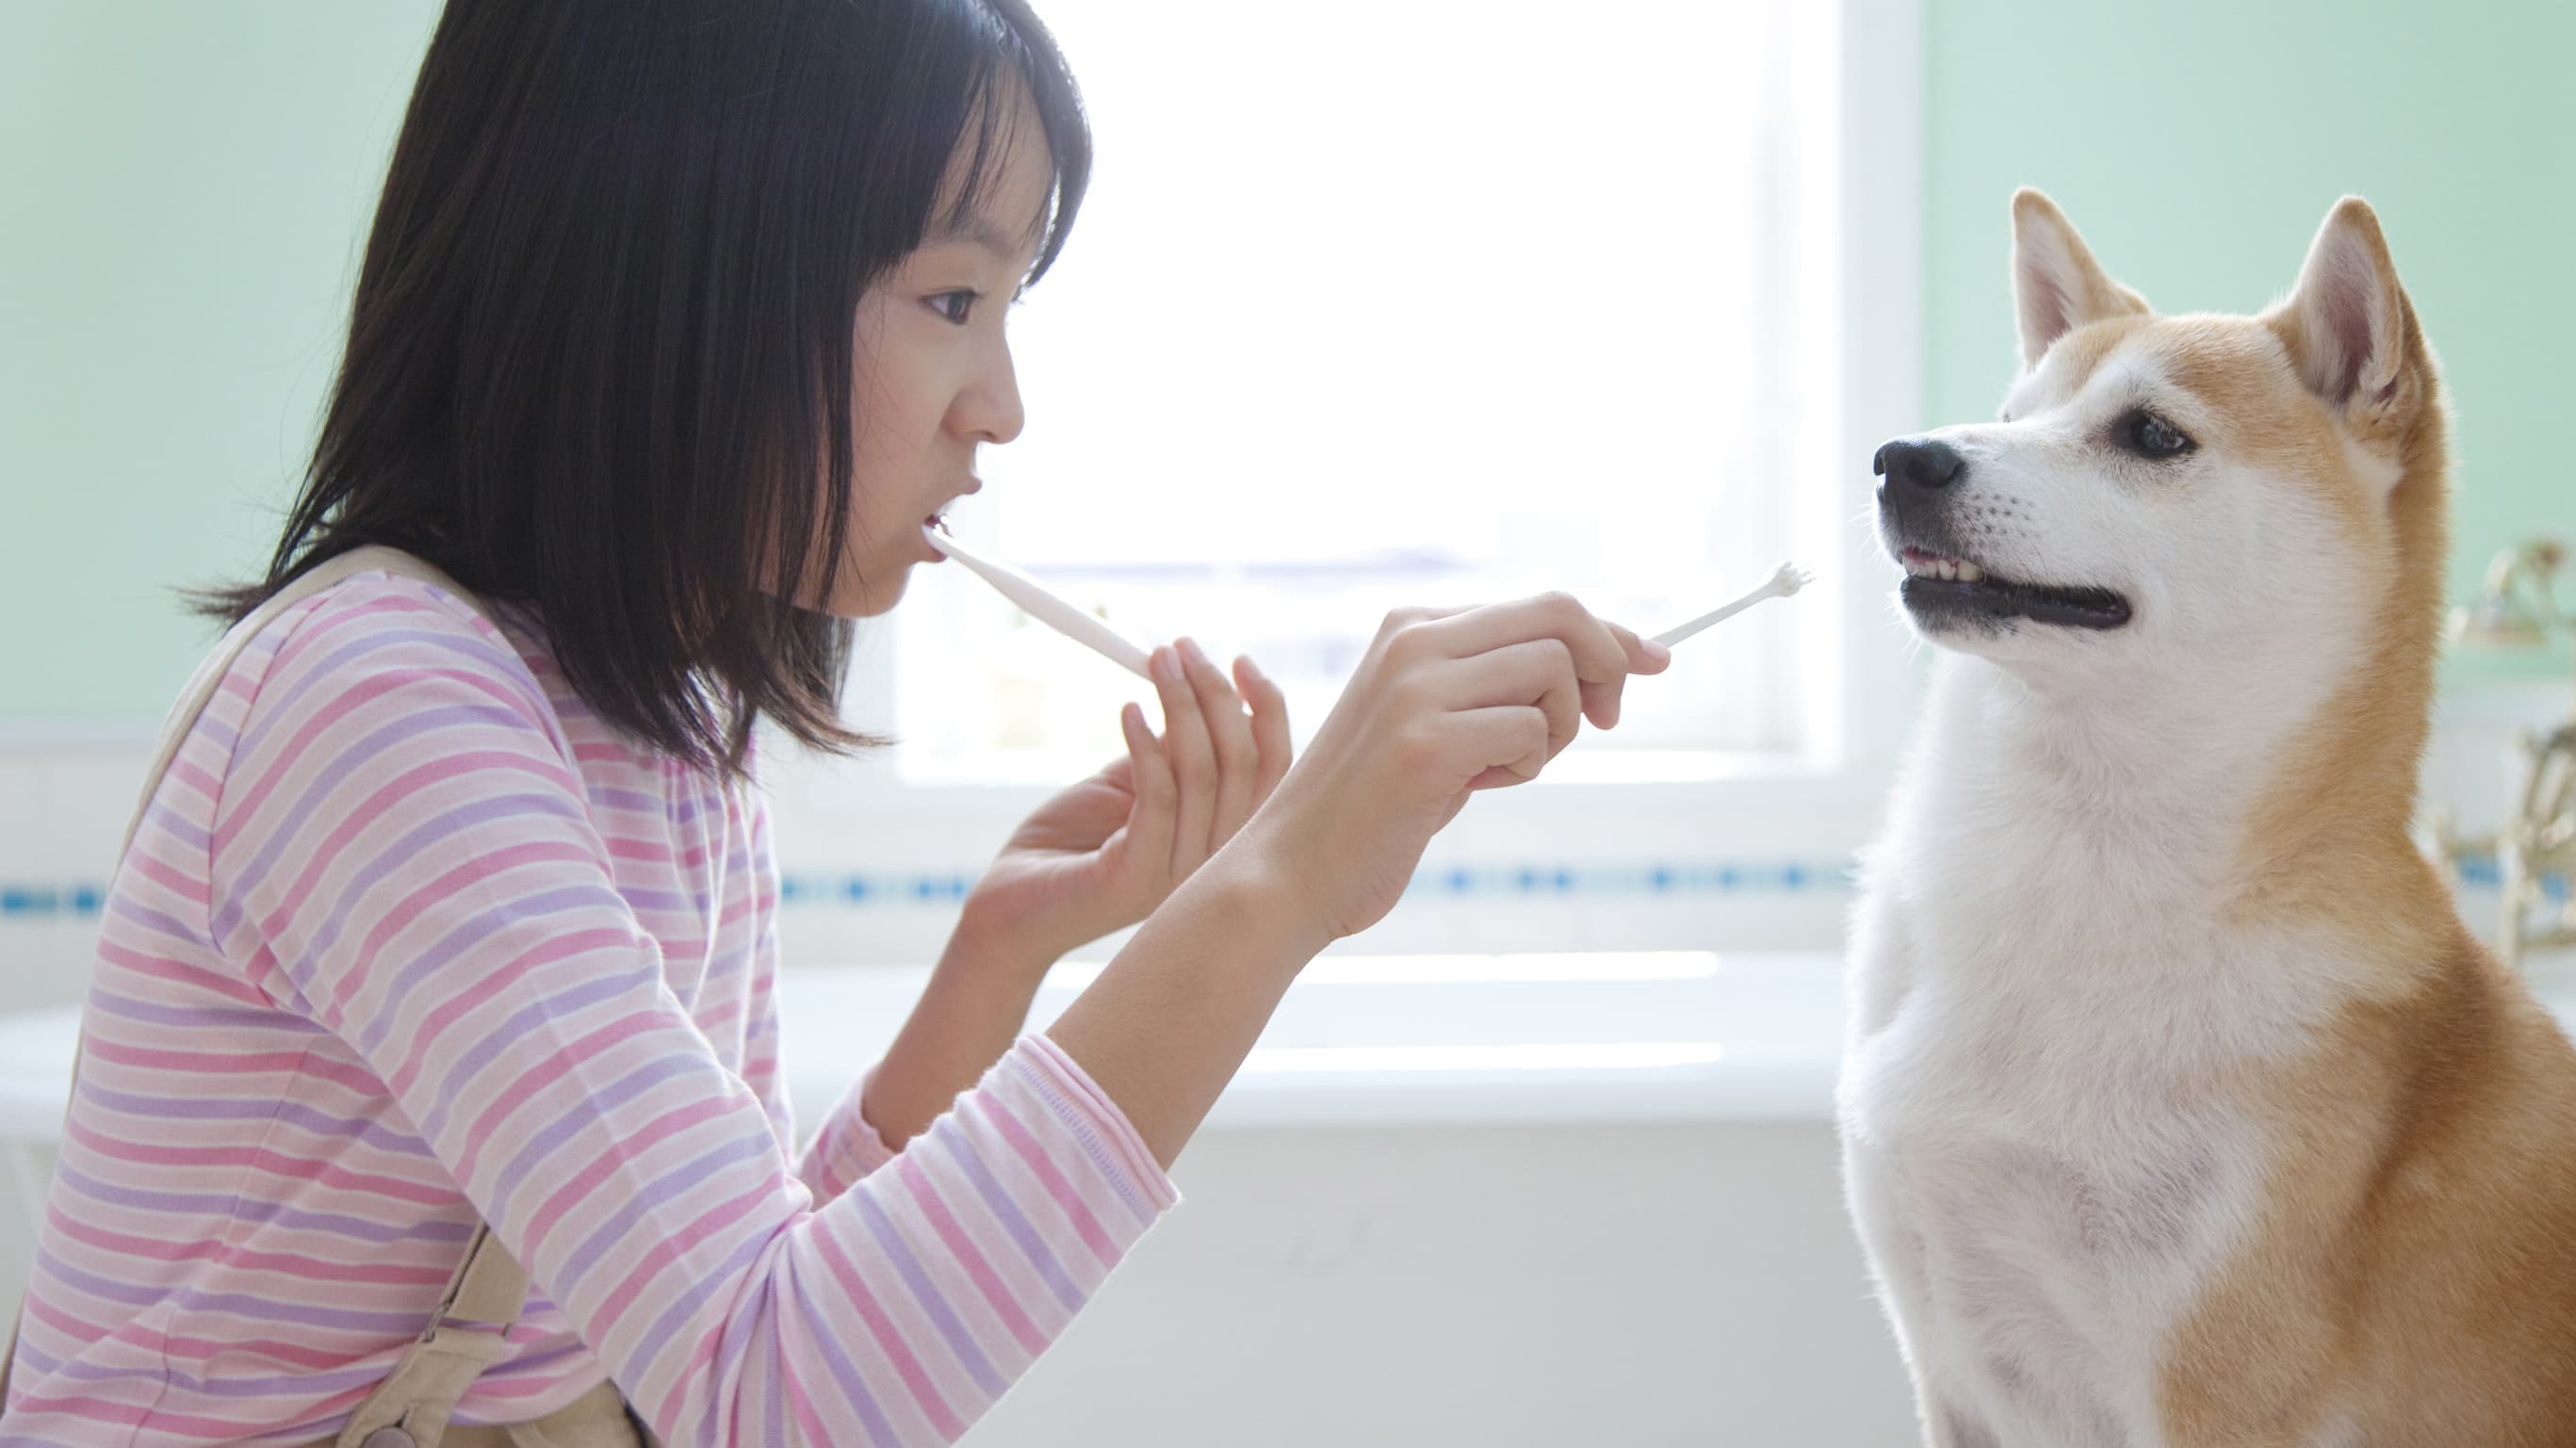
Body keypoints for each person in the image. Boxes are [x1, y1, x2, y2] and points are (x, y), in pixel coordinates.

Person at [0, 2, 1667, 1443]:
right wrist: (1278, 885)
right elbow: (774, 1388)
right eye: (955, 299)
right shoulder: (382, 711)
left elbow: (720, 1303)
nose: (999, 405)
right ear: (682, 272)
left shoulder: (657, 740)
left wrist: (993, 967)